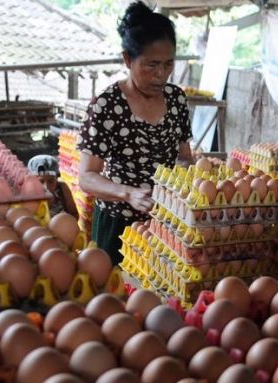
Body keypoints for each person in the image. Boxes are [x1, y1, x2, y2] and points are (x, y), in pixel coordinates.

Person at [78, 1, 194, 265]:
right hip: (118, 225)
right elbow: (86, 177)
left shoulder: (176, 99)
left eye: (168, 64)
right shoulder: (107, 105)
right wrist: (128, 193)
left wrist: (184, 180)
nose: (161, 75)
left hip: (166, 225)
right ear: (128, 59)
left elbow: (184, 156)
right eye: (151, 65)